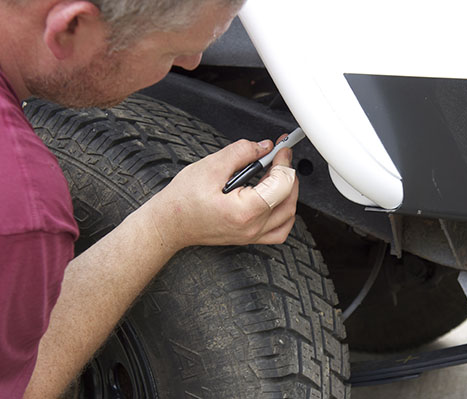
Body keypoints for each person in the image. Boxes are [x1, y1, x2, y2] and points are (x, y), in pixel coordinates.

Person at [0, 0, 299, 397]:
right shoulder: (21, 203)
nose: (192, 62)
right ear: (71, 27)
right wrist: (167, 225)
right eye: (171, 51)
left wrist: (168, 217)